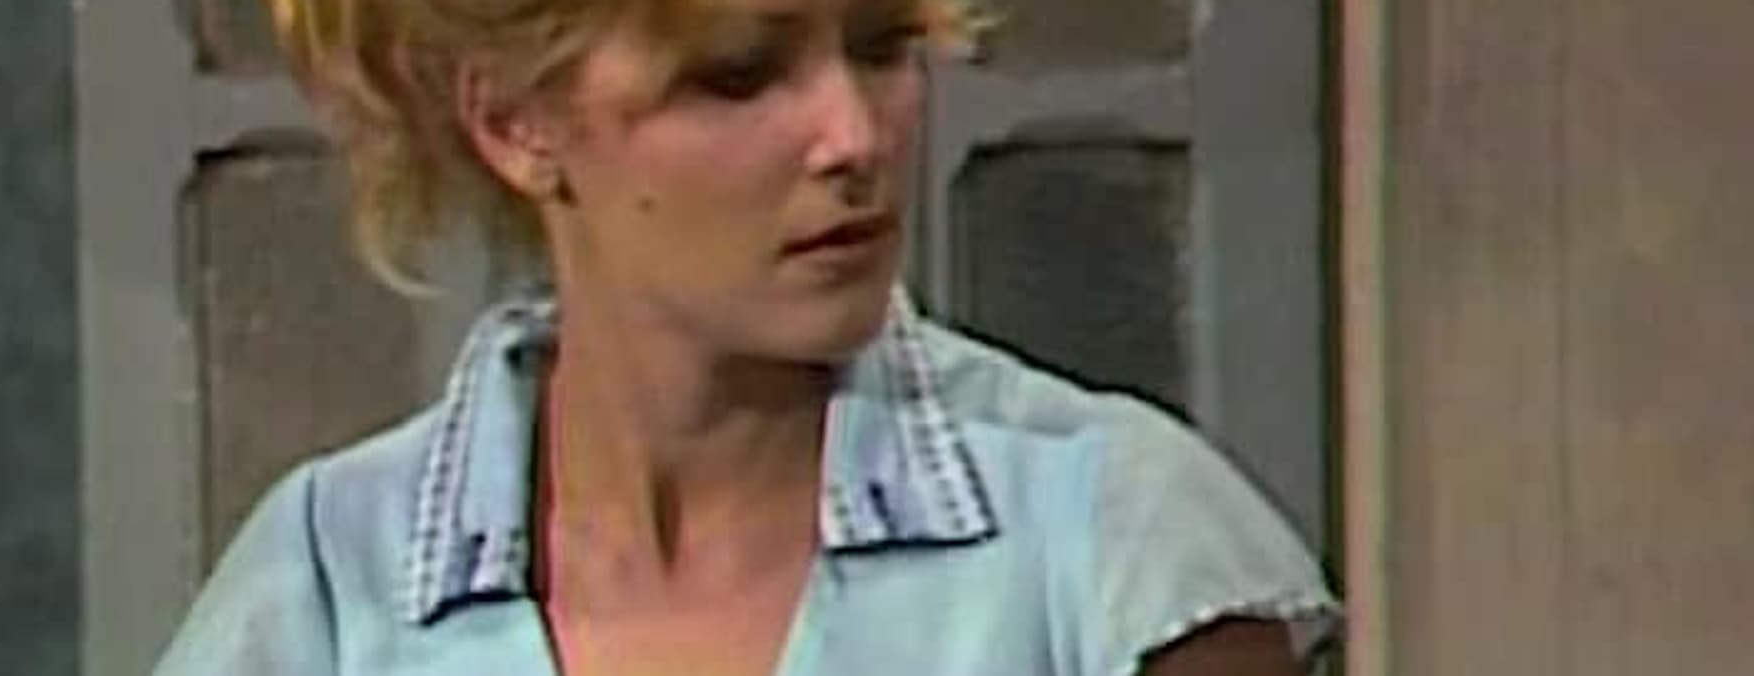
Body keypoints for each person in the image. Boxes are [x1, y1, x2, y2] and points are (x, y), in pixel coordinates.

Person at [153, 0, 1339, 673]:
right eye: (737, 76)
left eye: (880, 46)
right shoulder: (325, 596)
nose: (852, 137)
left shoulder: (1113, 546)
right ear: (516, 124)